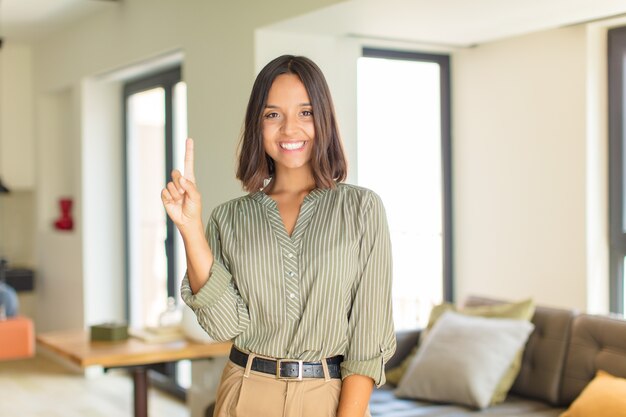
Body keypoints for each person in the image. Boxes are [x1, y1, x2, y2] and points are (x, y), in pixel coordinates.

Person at [161, 55, 395, 417]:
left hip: (329, 398)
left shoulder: (362, 210)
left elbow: (368, 342)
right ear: (258, 124)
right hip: (245, 391)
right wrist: (190, 227)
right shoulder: (230, 218)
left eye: (305, 113)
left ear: (324, 120)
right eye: (273, 115)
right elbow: (224, 325)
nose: (289, 129)